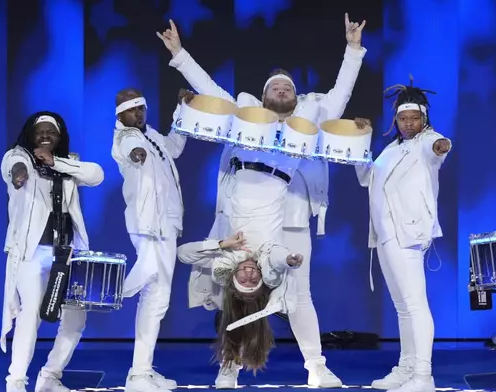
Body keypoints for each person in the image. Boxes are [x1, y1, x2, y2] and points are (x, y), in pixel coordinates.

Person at [157, 13, 366, 388]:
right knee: (230, 294)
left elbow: (339, 97)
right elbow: (211, 93)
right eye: (276, 87)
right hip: (240, 217)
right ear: (264, 95)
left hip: (293, 217)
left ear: (296, 97)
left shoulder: (308, 120)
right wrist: (179, 54)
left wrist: (352, 50)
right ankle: (230, 364)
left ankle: (316, 366)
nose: (282, 90)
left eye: (288, 87)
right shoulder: (244, 118)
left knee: (300, 295)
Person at [355, 81, 451, 392]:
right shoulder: (390, 149)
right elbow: (365, 177)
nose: (409, 124)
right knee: (402, 306)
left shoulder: (428, 141)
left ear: (424, 119)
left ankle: (423, 375)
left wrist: (440, 146)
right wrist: (359, 141)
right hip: (384, 234)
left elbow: (438, 148)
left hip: (407, 232)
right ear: (395, 120)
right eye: (403, 118)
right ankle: (407, 367)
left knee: (415, 303)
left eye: (414, 118)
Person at [0, 112, 104, 392]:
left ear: (59, 138)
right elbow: (15, 170)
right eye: (40, 132)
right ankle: (16, 382)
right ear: (31, 136)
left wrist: (57, 161)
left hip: (68, 254)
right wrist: (22, 174)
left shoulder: (67, 164)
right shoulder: (16, 156)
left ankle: (49, 376)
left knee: (75, 319)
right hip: (32, 254)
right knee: (30, 314)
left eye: (52, 132)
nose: (46, 136)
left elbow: (97, 175)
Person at [111, 88, 191, 392]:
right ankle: (111, 292)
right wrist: (137, 153)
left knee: (158, 298)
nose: (139, 114)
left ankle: (141, 370)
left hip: (167, 222)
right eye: (132, 110)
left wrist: (182, 110)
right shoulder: (124, 138)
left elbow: (176, 147)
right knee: (152, 290)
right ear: (120, 115)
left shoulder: (154, 135)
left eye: (141, 108)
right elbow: (132, 148)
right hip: (150, 224)